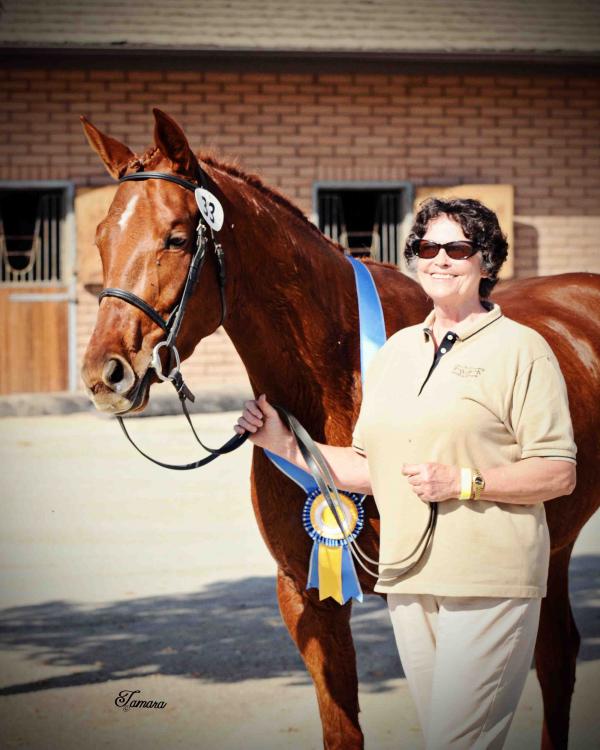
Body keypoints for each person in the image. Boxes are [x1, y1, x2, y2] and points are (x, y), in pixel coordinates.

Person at [234, 197, 577, 749]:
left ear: (486, 262)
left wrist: (465, 482)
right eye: (426, 248)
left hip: (489, 581)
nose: (439, 259)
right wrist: (281, 442)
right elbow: (371, 470)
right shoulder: (396, 354)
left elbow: (558, 473)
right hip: (411, 584)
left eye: (457, 248)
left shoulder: (522, 350)